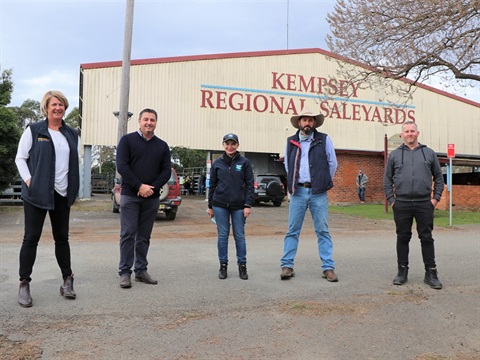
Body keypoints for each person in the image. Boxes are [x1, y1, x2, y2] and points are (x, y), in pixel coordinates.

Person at [15, 90, 79, 307]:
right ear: (46, 108)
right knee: (31, 238)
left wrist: (73, 189)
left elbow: (72, 163)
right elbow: (20, 158)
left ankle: (67, 280)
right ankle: (24, 284)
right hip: (37, 194)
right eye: (54, 105)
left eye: (61, 104)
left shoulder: (71, 134)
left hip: (62, 193)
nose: (58, 108)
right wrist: (30, 181)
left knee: (62, 238)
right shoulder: (34, 130)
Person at [383, 121, 444, 289]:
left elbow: (439, 178)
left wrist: (435, 199)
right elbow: (387, 180)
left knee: (426, 237)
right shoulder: (395, 155)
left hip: (424, 203)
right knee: (402, 237)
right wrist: (392, 200)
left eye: (412, 131)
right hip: (401, 203)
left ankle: (431, 273)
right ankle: (402, 271)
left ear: (418, 133)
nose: (410, 133)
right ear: (402, 135)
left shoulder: (429, 153)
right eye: (406, 131)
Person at [280, 109, 339, 282]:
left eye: (310, 120)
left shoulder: (324, 139)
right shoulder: (290, 141)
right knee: (292, 230)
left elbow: (332, 163)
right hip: (298, 192)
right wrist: (293, 184)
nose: (307, 123)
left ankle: (328, 267)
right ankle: (287, 265)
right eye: (304, 120)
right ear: (299, 123)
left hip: (318, 192)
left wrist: (322, 181)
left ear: (314, 123)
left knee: (323, 230)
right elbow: (288, 166)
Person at [116, 108, 172, 288]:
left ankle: (141, 270)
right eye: (146, 119)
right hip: (130, 196)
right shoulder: (127, 141)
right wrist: (139, 186)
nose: (149, 122)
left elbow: (166, 171)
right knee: (128, 234)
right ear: (139, 121)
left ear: (156, 123)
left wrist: (152, 188)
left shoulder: (162, 146)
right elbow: (122, 166)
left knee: (144, 236)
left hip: (151, 198)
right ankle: (125, 272)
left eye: (152, 120)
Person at [207, 133, 254, 280]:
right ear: (223, 145)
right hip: (219, 204)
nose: (230, 146)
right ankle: (223, 265)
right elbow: (212, 186)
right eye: (227, 143)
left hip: (239, 206)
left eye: (233, 144)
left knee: (239, 236)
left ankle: (242, 266)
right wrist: (210, 206)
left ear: (237, 145)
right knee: (222, 236)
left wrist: (248, 205)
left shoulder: (244, 162)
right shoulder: (217, 163)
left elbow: (250, 185)